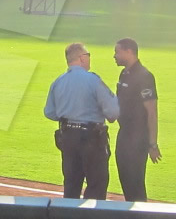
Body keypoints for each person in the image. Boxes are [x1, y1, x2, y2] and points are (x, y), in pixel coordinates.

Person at [42, 42, 119, 200]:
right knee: (96, 185)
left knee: (71, 184)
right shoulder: (93, 80)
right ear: (82, 58)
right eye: (88, 55)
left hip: (68, 138)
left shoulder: (58, 82)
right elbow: (113, 112)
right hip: (92, 138)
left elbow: (49, 112)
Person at [112, 38, 161, 203]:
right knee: (125, 179)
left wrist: (152, 144)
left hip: (138, 137)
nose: (114, 56)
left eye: (117, 52)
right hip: (124, 134)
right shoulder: (124, 74)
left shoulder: (145, 76)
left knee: (135, 183)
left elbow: (152, 112)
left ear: (129, 52)